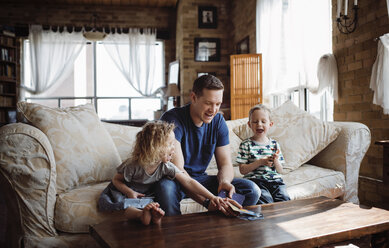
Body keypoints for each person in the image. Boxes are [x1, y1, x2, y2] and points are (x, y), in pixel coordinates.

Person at [157, 74, 261, 216]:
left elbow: (225, 164)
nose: (213, 110)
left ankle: (220, 225)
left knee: (251, 190)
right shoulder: (172, 120)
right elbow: (179, 171)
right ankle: (176, 235)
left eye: (218, 104)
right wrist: (206, 202)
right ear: (193, 98)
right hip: (175, 180)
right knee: (165, 190)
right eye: (208, 103)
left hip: (201, 180)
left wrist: (224, 182)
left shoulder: (218, 122)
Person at [98, 121, 226, 225]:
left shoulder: (165, 166)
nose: (174, 149)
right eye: (170, 144)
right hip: (127, 191)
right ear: (155, 147)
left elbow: (188, 181)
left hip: (146, 194)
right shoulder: (133, 165)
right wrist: (129, 192)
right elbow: (116, 180)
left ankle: (151, 216)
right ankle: (140, 215)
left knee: (155, 204)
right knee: (127, 208)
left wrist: (213, 197)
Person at [236, 104, 290, 204]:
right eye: (255, 122)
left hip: (276, 182)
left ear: (270, 124)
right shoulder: (246, 144)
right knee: (266, 201)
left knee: (285, 201)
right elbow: (242, 170)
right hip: (256, 181)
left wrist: (276, 161)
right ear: (249, 124)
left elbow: (281, 170)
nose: (259, 125)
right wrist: (260, 162)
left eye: (263, 121)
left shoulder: (275, 144)